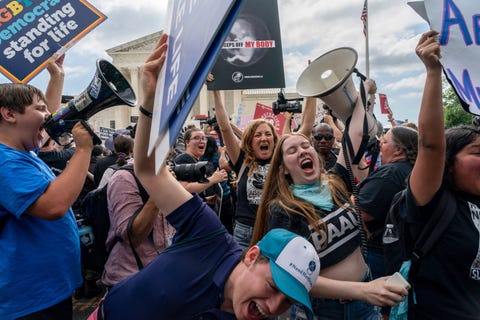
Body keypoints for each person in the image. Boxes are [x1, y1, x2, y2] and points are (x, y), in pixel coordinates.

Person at [88, 34, 324, 320]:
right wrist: (150, 100)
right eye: (273, 286)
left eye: (286, 303)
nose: (273, 308)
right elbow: (149, 170)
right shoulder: (207, 233)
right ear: (250, 256)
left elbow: (306, 130)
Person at [251, 76, 407, 319]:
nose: (302, 150)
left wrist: (365, 92)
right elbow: (292, 278)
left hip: (366, 306)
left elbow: (355, 131)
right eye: (292, 151)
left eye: (305, 146)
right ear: (282, 168)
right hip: (327, 311)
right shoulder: (282, 209)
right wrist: (362, 291)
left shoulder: (335, 181)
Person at [0, 55, 94, 319]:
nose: (49, 116)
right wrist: (84, 149)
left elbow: (46, 124)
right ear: (9, 114)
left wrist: (57, 76)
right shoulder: (5, 163)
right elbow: (53, 205)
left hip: (47, 290)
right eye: (40, 109)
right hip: (29, 300)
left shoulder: (21, 150)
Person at [394, 30, 480, 319]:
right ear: (448, 162)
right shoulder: (433, 203)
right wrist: (433, 72)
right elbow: (430, 145)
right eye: (478, 153)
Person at [211, 81, 315, 248]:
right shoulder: (242, 160)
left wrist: (312, 89)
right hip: (246, 233)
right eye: (258, 135)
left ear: (274, 140)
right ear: (250, 141)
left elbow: (306, 128)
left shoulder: (282, 158)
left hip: (279, 229)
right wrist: (215, 91)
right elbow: (225, 128)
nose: (264, 138)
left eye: (268, 134)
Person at [356, 126, 418, 281]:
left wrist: (348, 197)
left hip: (375, 254)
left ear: (398, 150)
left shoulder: (390, 173)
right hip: (395, 252)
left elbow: (364, 212)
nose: (379, 146)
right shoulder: (411, 171)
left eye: (383, 142)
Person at [101, 162, 172, 288]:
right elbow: (132, 236)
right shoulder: (124, 178)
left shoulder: (165, 171)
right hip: (130, 278)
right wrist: (159, 191)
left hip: (160, 272)